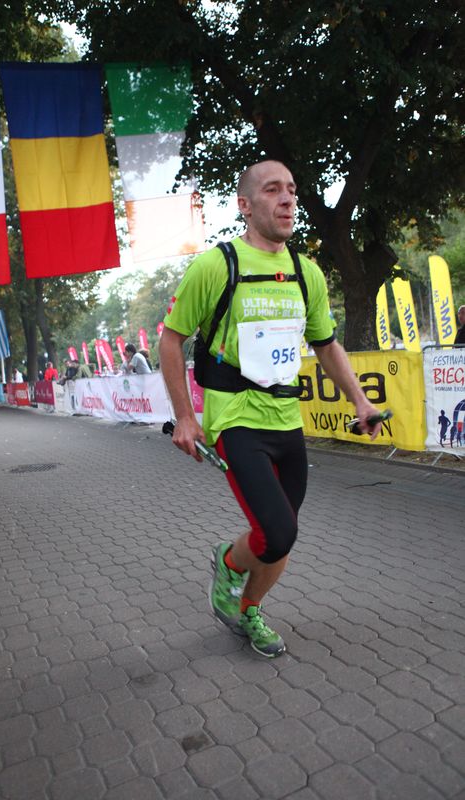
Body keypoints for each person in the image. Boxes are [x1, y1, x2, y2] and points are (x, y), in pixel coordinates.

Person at [159, 159, 382, 658]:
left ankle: (247, 604)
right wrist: (186, 417)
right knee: (277, 532)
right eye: (273, 190)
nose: (287, 199)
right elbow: (171, 340)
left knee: (281, 534)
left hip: (286, 421)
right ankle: (231, 570)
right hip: (235, 419)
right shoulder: (216, 266)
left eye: (293, 190)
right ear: (244, 204)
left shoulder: (306, 273)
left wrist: (361, 400)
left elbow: (326, 345)